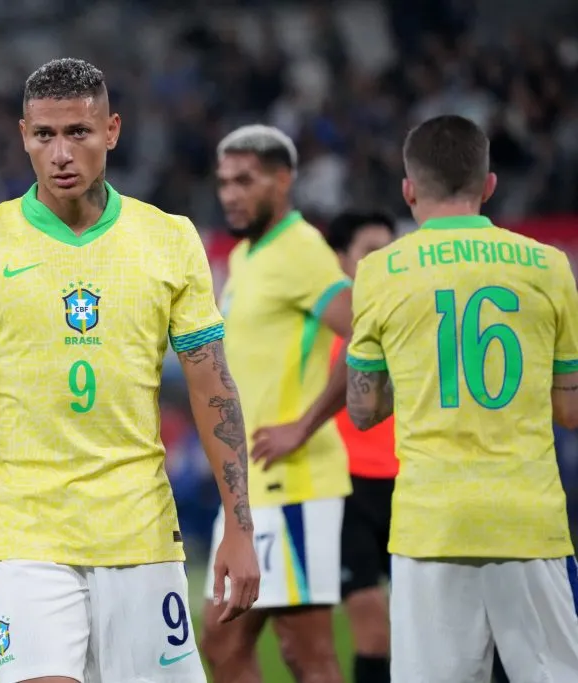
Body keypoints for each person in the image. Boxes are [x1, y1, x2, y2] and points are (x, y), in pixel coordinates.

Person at [0, 57, 260, 683]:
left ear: (113, 131)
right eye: (45, 135)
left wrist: (239, 525)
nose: (61, 152)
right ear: (23, 135)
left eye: (80, 132)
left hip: (141, 532)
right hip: (25, 533)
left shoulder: (169, 238)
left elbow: (212, 387)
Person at [346, 114, 578, 683]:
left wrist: (420, 373)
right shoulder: (549, 266)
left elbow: (363, 410)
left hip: (432, 525)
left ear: (409, 189)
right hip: (529, 520)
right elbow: (571, 410)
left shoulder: (379, 272)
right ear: (489, 184)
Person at [203, 124, 352, 683]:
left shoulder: (300, 250)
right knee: (221, 643)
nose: (230, 194)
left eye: (245, 180)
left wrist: (303, 426)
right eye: (223, 182)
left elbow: (367, 335)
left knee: (306, 652)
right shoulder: (246, 256)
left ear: (282, 180)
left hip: (293, 482)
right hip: (250, 487)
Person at [326, 211, 397, 683]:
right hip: (347, 487)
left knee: (435, 623)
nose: (381, 262)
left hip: (410, 484)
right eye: (369, 251)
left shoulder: (409, 314)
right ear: (341, 259)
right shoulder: (326, 320)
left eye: (388, 251)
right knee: (371, 630)